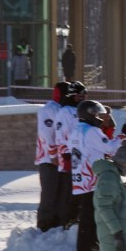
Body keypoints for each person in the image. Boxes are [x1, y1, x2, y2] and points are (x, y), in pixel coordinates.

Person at [67, 97, 117, 251]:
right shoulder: (91, 131)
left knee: (89, 212)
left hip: (80, 177)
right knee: (90, 214)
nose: (100, 118)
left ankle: (90, 244)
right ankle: (85, 248)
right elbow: (109, 148)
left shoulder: (76, 129)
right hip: (91, 177)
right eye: (97, 114)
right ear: (89, 114)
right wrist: (122, 138)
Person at [33, 82, 71, 231]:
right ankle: (45, 226)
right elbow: (47, 134)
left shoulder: (65, 109)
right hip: (49, 160)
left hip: (63, 159)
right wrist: (53, 154)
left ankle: (60, 224)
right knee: (49, 194)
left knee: (63, 195)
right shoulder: (49, 109)